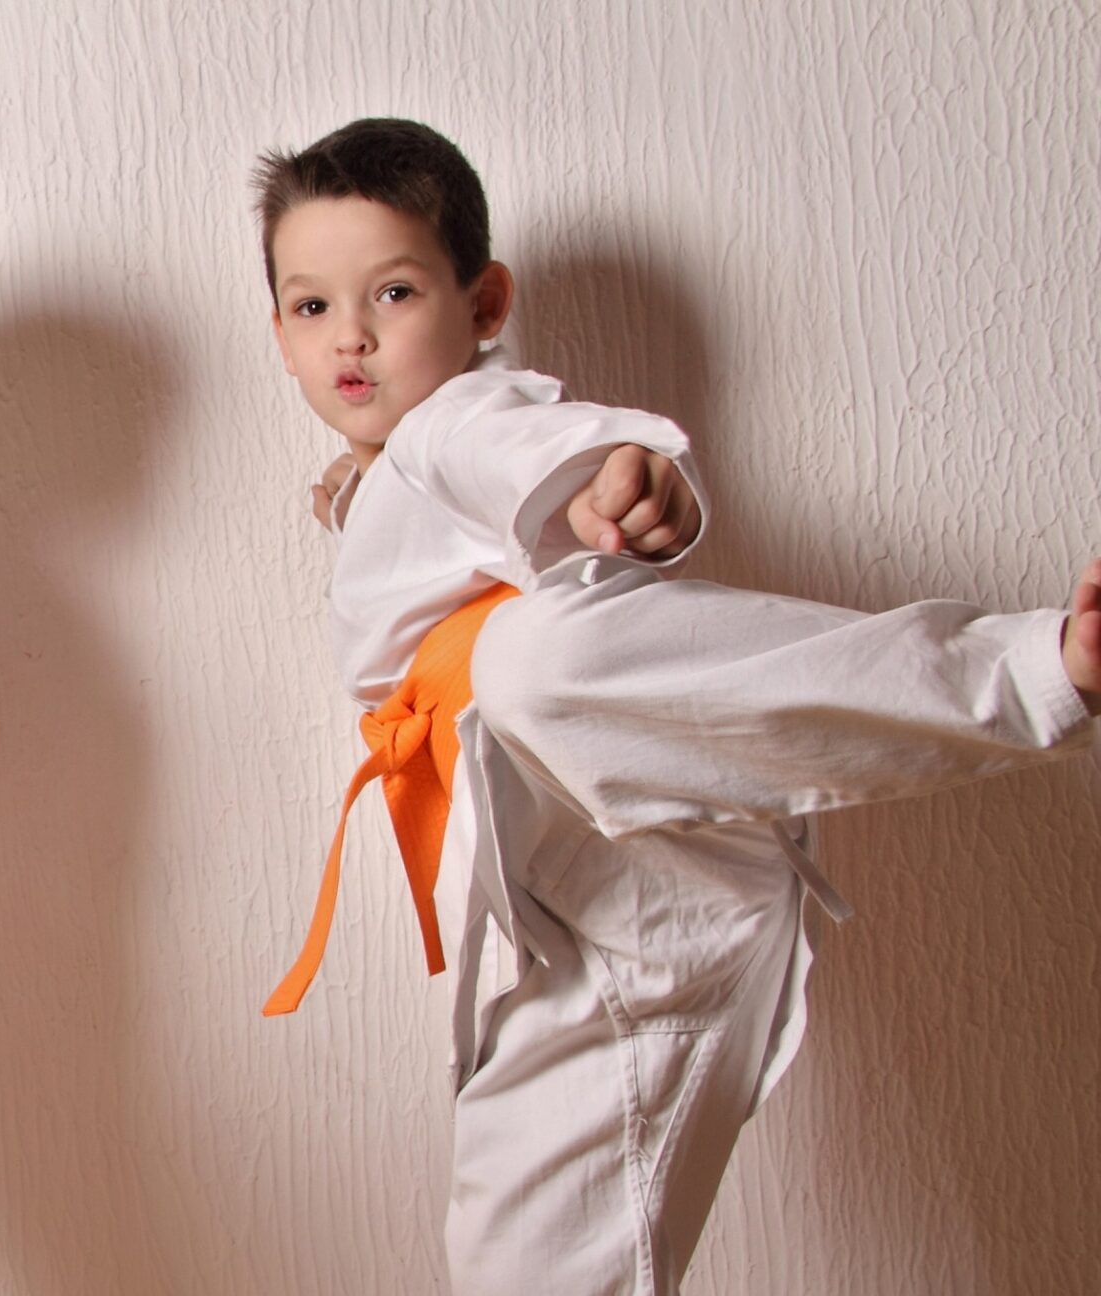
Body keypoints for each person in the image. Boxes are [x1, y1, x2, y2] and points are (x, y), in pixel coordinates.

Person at [255, 116, 1101, 1294]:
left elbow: (539, 448)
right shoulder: (398, 461)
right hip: (569, 913)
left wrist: (627, 478)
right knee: (507, 1260)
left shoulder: (462, 425)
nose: (350, 334)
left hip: (653, 866)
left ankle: (1033, 667)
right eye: (310, 308)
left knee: (529, 655)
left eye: (392, 293)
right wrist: (356, 488)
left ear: (483, 303)